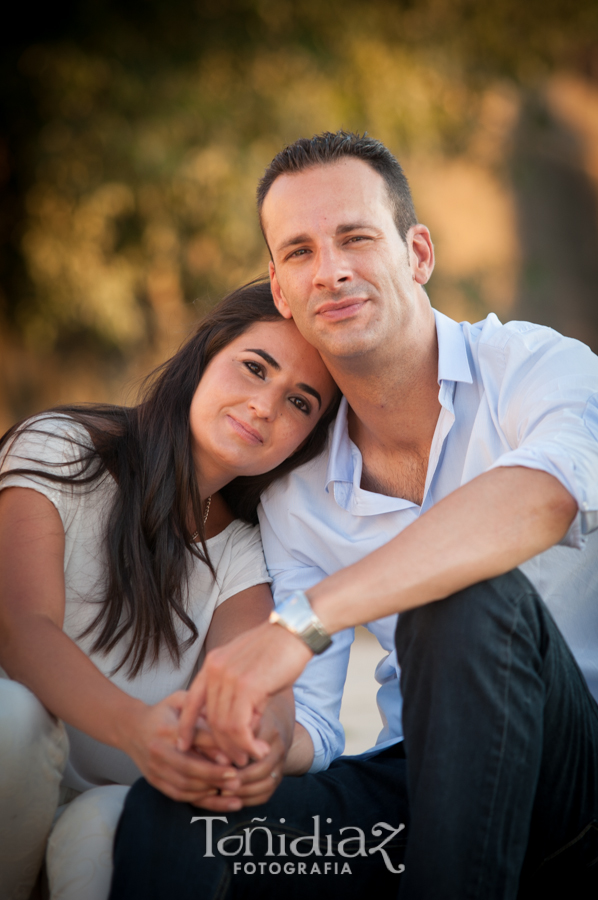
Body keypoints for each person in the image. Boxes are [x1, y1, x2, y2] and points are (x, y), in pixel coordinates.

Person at [110, 131, 598, 899]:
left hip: (579, 782)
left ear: (419, 255)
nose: (330, 270)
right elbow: (315, 719)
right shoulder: (297, 494)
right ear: (280, 289)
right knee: (180, 815)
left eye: (356, 238)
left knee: (463, 597)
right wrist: (258, 747)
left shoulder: (538, 368)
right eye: (299, 251)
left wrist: (298, 626)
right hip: (419, 794)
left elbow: (545, 494)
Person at [0, 278, 339, 900]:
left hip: (111, 798)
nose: (266, 405)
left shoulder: (244, 552)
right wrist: (136, 728)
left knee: (114, 826)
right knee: (10, 719)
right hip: (8, 775)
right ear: (204, 355)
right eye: (254, 367)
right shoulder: (63, 449)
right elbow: (21, 630)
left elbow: (256, 681)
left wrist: (264, 742)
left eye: (301, 403)